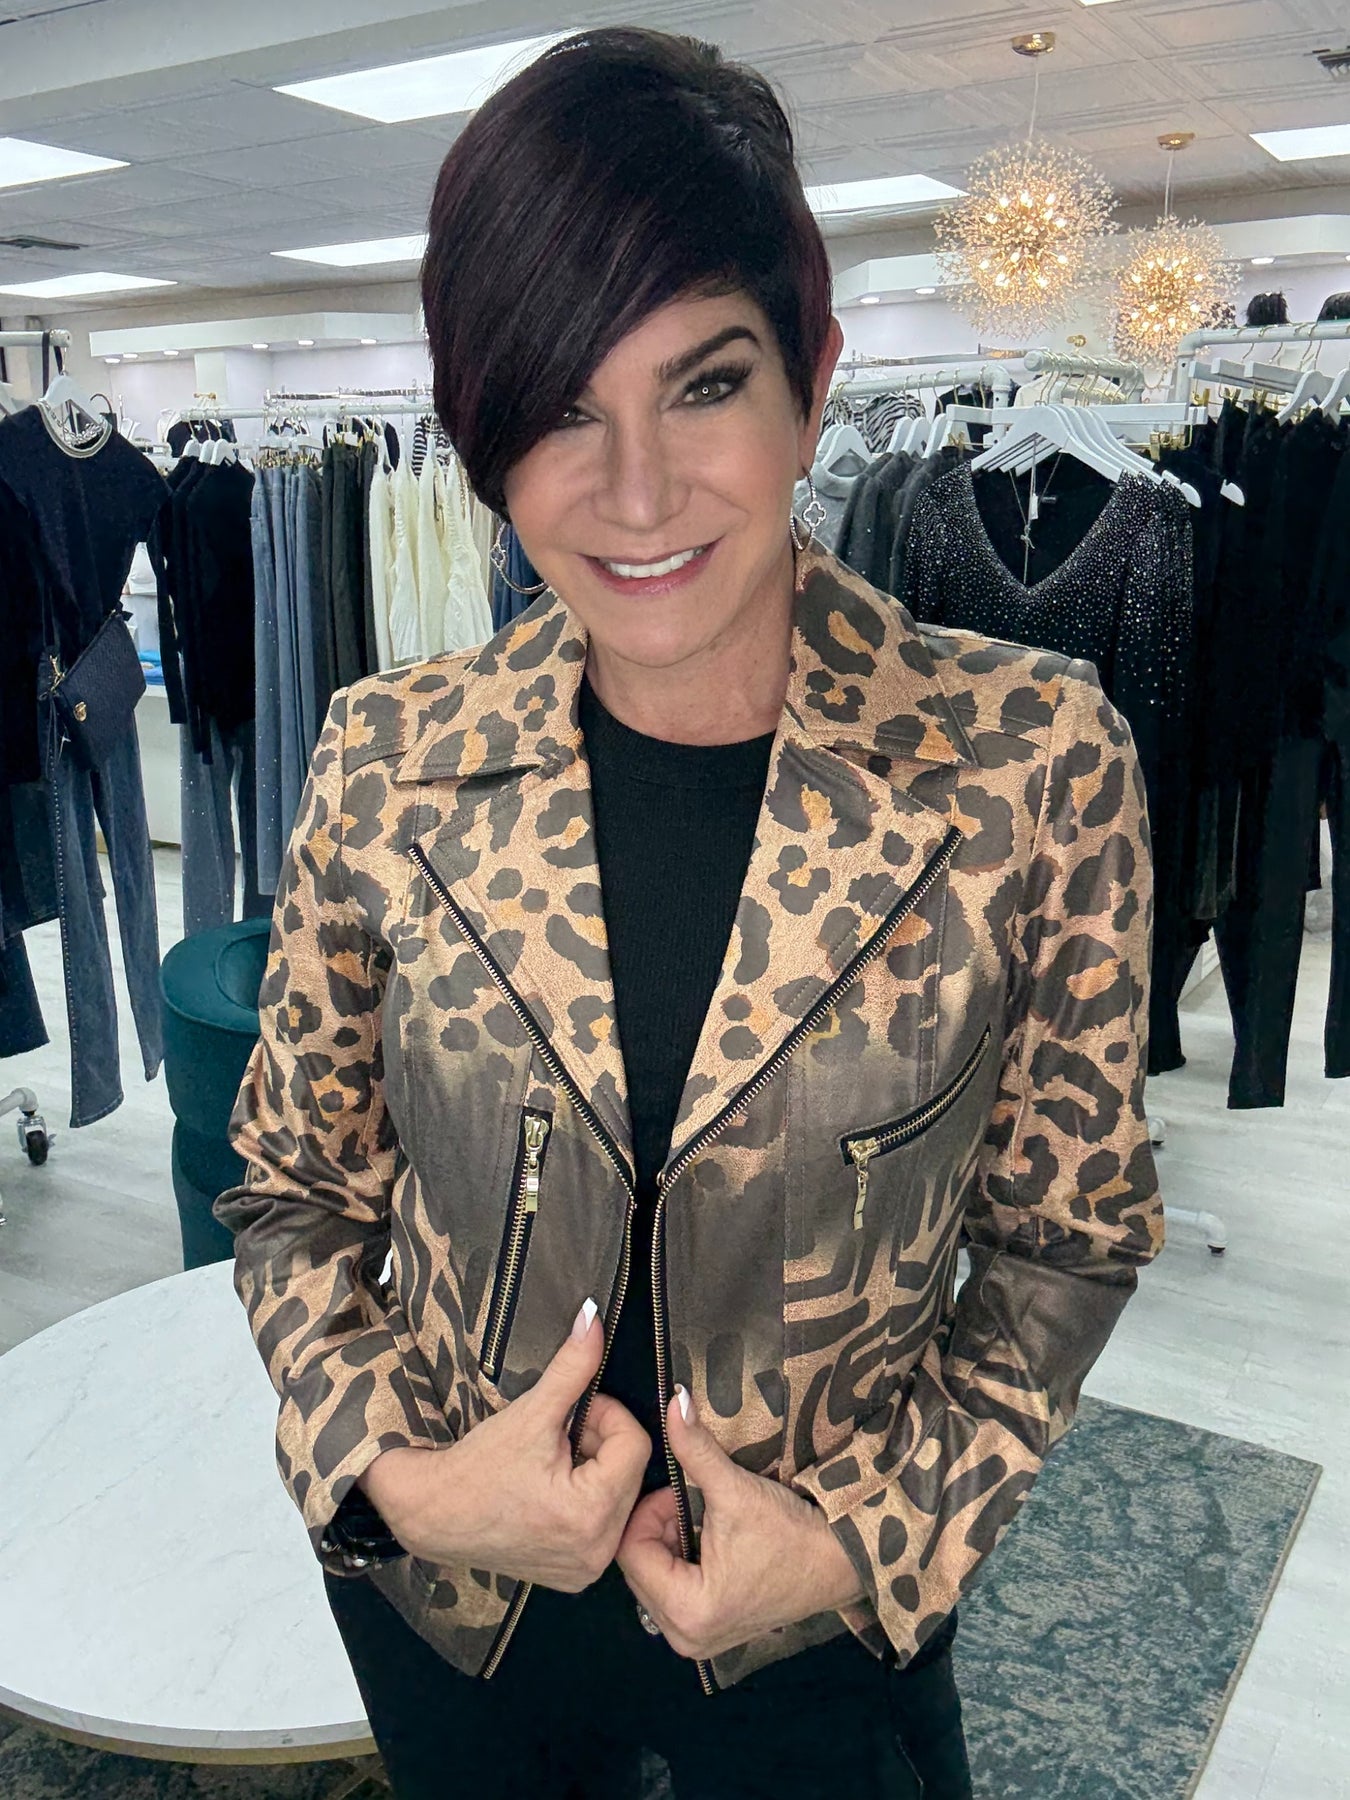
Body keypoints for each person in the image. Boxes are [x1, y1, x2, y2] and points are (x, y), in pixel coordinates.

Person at [214, 25, 1164, 1799]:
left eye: (703, 385)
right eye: (560, 408)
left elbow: (1068, 1242)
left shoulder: (1024, 765)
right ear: (482, 444)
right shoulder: (390, 759)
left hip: (812, 1624)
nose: (635, 492)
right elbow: (290, 1194)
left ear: (812, 379)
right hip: (461, 1615)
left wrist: (871, 1534)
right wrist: (404, 1482)